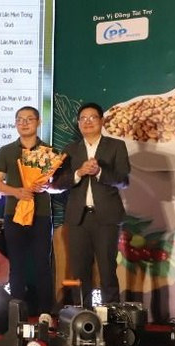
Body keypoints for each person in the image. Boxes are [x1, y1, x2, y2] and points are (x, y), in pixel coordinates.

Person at [54, 103, 130, 307]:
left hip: (106, 217)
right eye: (83, 118)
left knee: (107, 269)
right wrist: (79, 173)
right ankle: (82, 317)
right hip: (78, 218)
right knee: (79, 271)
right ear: (78, 124)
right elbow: (58, 183)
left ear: (101, 121)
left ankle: (113, 318)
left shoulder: (116, 146)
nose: (87, 122)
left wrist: (98, 172)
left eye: (92, 117)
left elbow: (123, 180)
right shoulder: (70, 150)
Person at [0, 106, 58, 315]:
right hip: (14, 214)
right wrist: (16, 192)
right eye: (20, 119)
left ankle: (46, 312)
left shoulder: (49, 152)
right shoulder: (6, 151)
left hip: (41, 214)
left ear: (38, 122)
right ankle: (16, 313)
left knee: (42, 264)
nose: (24, 123)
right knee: (16, 265)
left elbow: (57, 185)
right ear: (15, 123)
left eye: (29, 119)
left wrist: (47, 186)